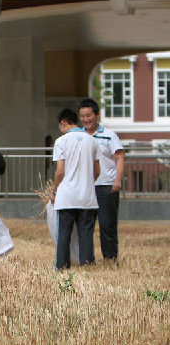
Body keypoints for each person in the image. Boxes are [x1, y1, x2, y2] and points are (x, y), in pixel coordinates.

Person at [51, 108, 100, 269]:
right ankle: (87, 264)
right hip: (87, 196)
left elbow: (60, 171)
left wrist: (54, 190)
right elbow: (97, 170)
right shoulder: (92, 140)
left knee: (64, 233)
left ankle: (62, 266)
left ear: (63, 122)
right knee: (85, 234)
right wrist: (87, 182)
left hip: (67, 196)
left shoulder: (61, 141)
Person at [78, 98, 125, 264]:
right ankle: (86, 260)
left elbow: (119, 158)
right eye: (82, 116)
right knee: (85, 226)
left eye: (89, 115)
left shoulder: (109, 135)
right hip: (86, 187)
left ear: (97, 115)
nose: (85, 119)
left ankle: (110, 259)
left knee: (107, 225)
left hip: (106, 186)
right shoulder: (78, 136)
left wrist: (117, 181)